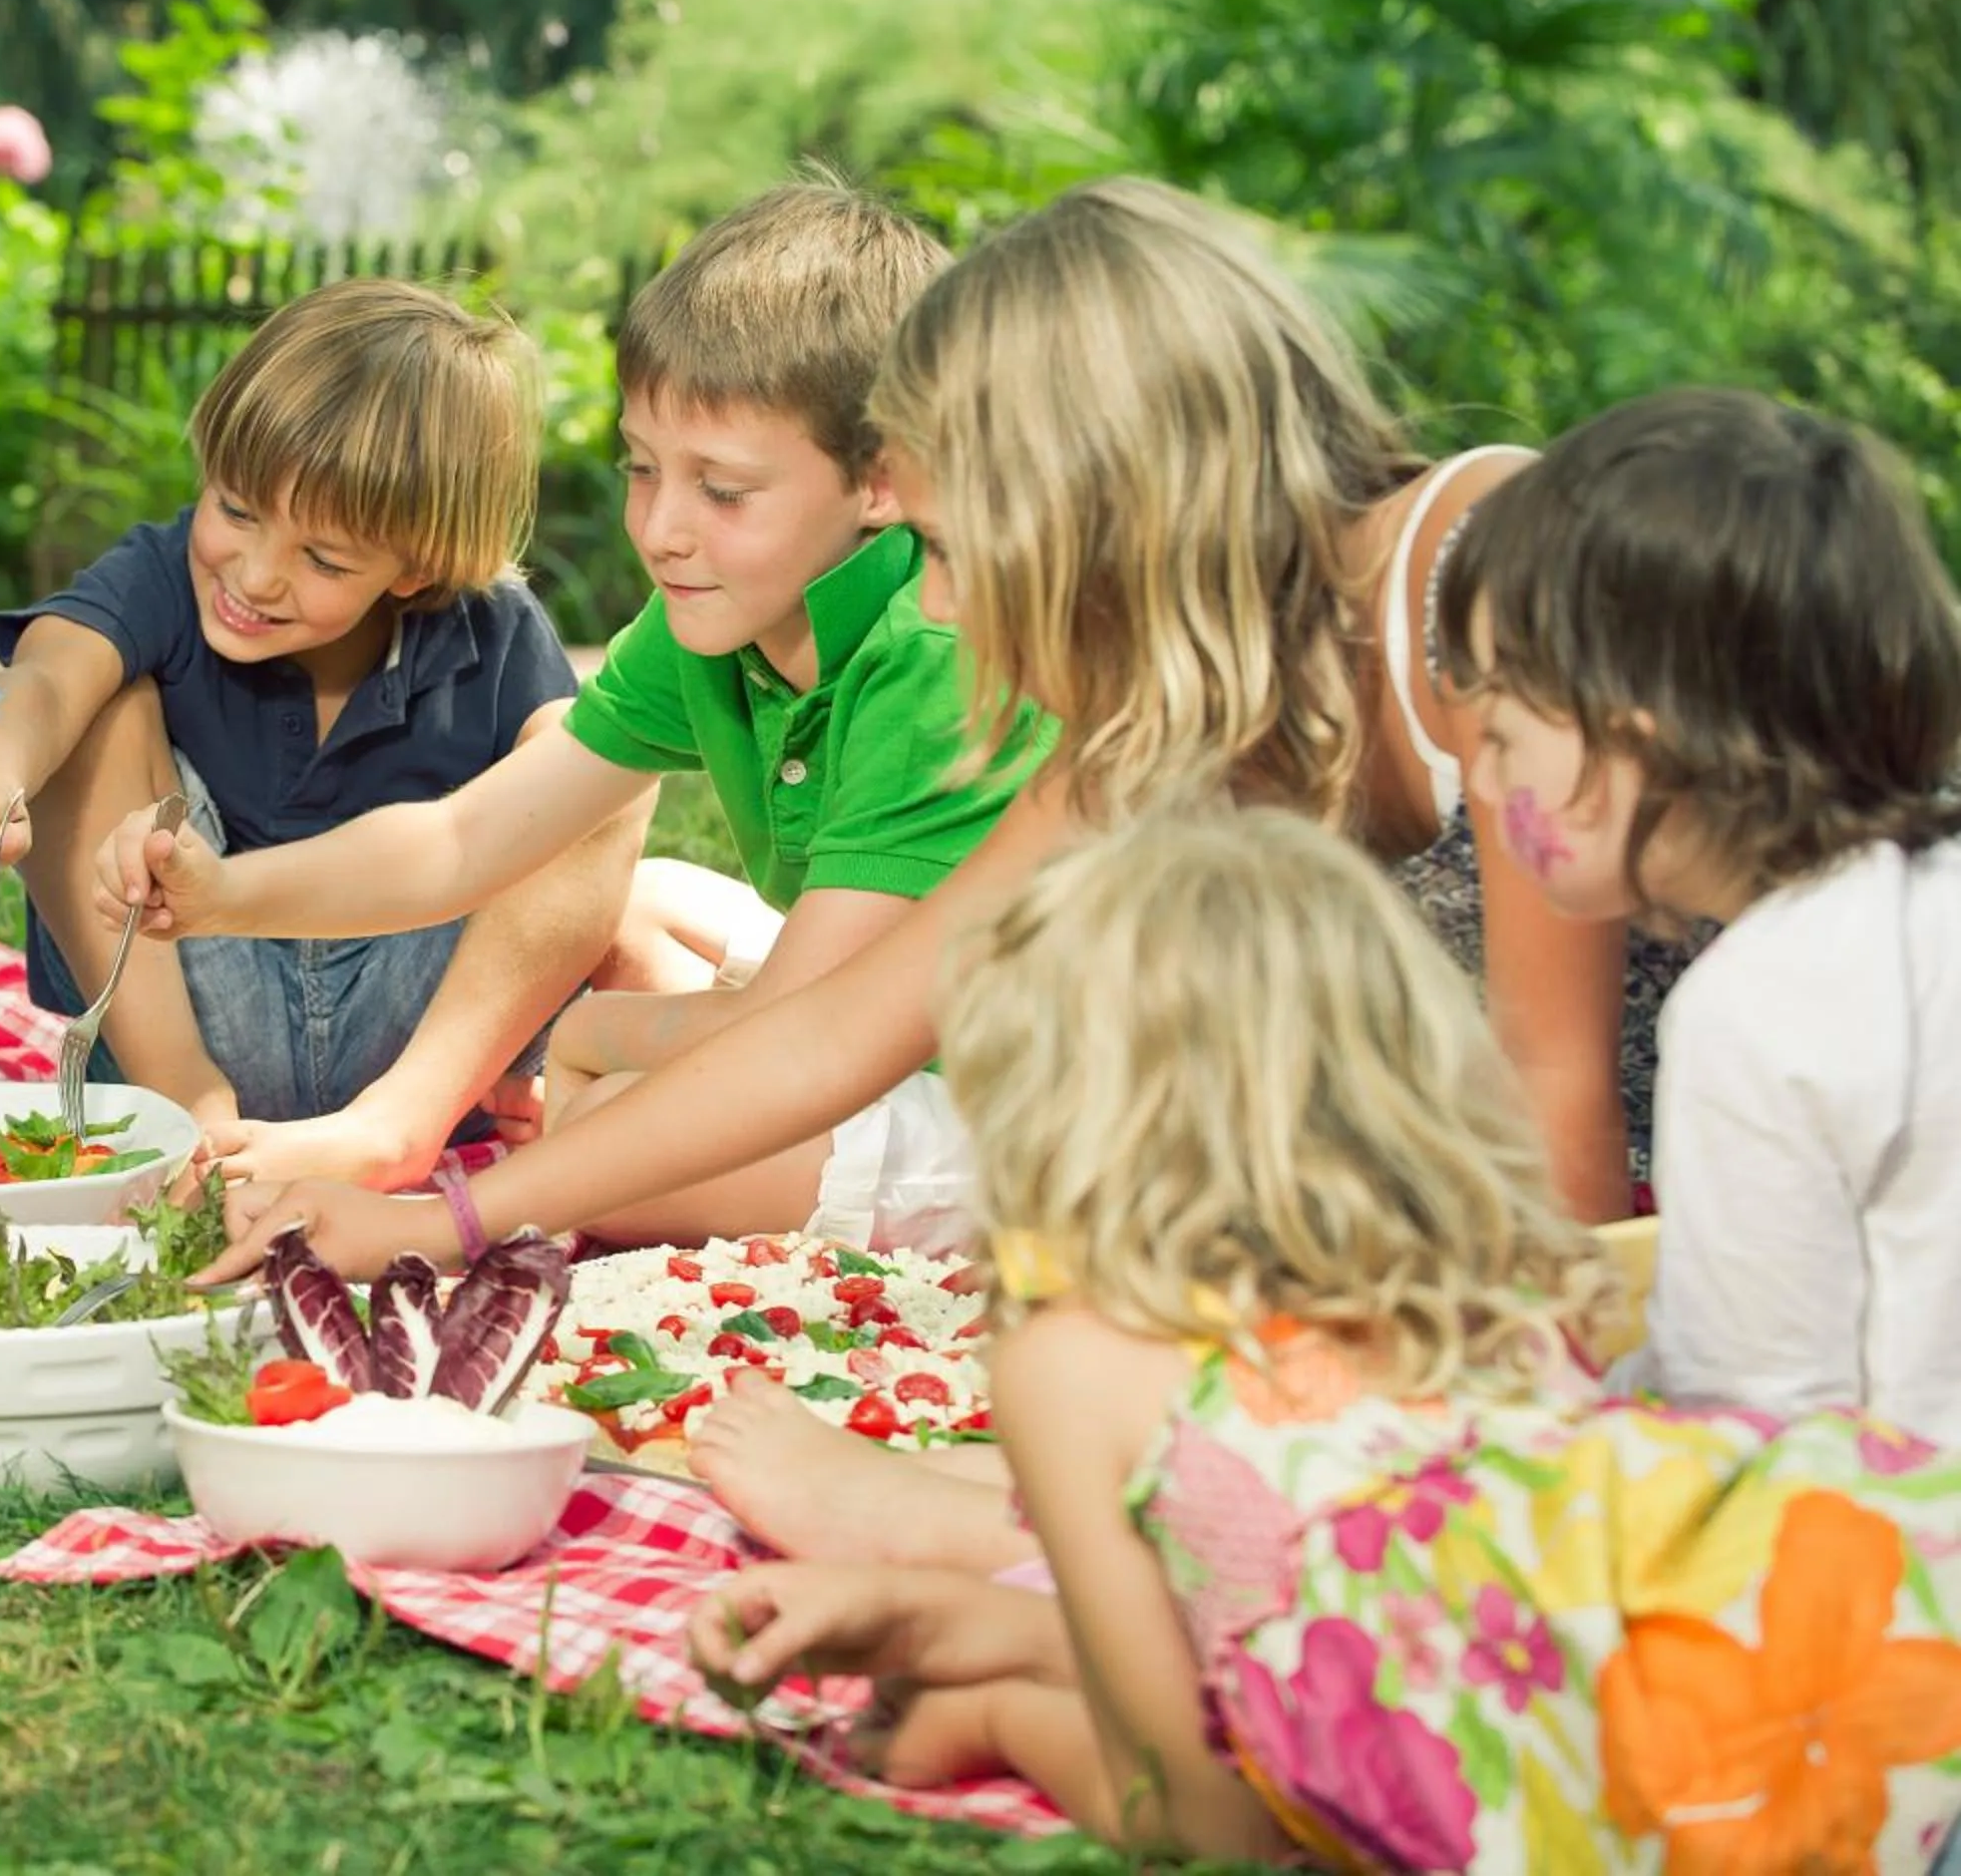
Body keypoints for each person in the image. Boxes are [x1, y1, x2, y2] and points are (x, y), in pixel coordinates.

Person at [174, 177, 1683, 1551]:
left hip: (1666, 1240)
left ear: (1100, 496)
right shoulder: (1165, 711)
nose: (939, 604)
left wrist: (1523, 1483)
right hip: (1428, 1206)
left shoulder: (1479, 580)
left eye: (952, 549)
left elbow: (1555, 1094)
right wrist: (447, 1219)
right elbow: (841, 1029)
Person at [691, 805, 1961, 1868]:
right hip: (1871, 1590)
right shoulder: (1494, 1277)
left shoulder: (1073, 1363)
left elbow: (1205, 1811)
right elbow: (1387, 1640)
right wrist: (958, 1624)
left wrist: (1001, 1722)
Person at [93, 180, 1043, 1255]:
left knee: (613, 1156)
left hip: (1029, 1086)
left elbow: (803, 1032)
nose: (662, 528)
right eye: (643, 468)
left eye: (723, 490)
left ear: (882, 479)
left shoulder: (931, 649)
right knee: (645, 915)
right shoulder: (713, 615)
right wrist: (224, 895)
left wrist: (586, 1047)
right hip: (868, 1006)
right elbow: (467, 838)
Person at [0, 278, 636, 1190]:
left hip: (409, 1035)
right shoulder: (161, 575)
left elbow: (572, 826)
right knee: (100, 707)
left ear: (415, 567)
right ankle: (192, 1114)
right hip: (186, 1007)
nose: (253, 575)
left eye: (321, 558)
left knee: (598, 763)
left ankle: (397, 1125)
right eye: (237, 510)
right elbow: (45, 678)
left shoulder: (491, 631)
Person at [1439, 388, 1961, 1446]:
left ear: (1635, 742)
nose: (1483, 787)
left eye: (1500, 737)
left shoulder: (1755, 1009)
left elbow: (1749, 1424)